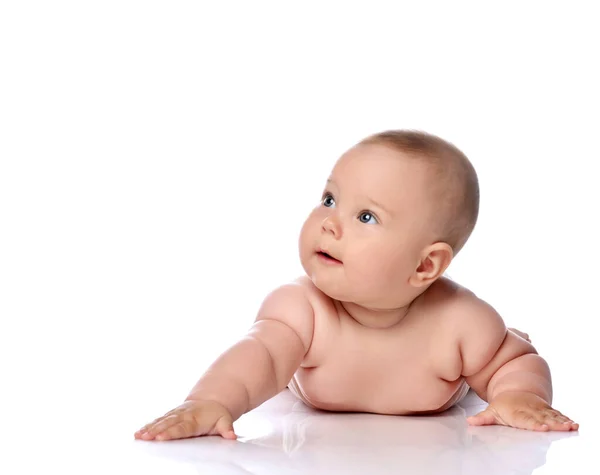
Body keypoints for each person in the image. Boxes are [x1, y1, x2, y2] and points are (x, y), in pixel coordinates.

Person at [134, 130, 578, 441]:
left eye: (366, 217)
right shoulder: (301, 309)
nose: (329, 223)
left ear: (425, 265)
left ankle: (516, 330)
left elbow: (513, 364)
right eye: (330, 199)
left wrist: (519, 395)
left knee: (506, 345)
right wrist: (211, 402)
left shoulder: (460, 321)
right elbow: (262, 357)